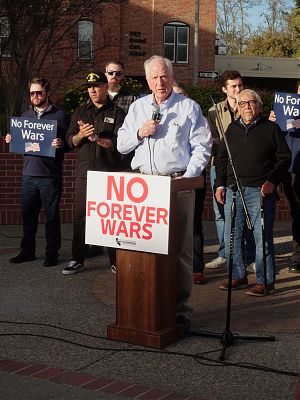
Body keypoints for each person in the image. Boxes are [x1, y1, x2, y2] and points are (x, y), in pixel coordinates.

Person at [117, 55, 212, 329]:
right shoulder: (137, 108)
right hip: (144, 186)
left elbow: (202, 147)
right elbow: (122, 145)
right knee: (144, 248)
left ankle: (181, 308)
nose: (160, 81)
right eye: (154, 77)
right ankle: (145, 303)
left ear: (172, 77)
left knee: (180, 249)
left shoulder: (189, 107)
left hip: (176, 185)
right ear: (147, 81)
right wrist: (139, 132)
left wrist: (188, 176)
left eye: (164, 76)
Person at [215, 89, 291, 296]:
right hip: (233, 190)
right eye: (242, 103)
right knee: (233, 235)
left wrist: (272, 181)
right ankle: (238, 275)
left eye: (251, 102)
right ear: (237, 107)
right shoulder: (231, 129)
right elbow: (221, 159)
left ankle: (265, 281)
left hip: (260, 192)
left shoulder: (271, 128)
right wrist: (219, 185)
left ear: (259, 105)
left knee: (261, 238)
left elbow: (284, 158)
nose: (247, 106)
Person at [62, 71, 126, 275]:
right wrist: (81, 134)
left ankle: (115, 260)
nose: (92, 90)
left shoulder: (118, 113)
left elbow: (120, 145)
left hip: (109, 174)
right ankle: (77, 259)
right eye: (89, 87)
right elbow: (69, 142)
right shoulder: (80, 111)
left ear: (106, 87)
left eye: (96, 85)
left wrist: (97, 139)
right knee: (81, 217)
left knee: (112, 218)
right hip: (85, 173)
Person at [6, 77, 69, 267]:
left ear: (48, 93)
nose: (35, 96)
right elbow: (20, 141)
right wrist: (11, 138)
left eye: (39, 92)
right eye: (32, 93)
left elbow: (71, 142)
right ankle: (27, 251)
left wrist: (61, 144)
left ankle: (52, 253)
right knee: (28, 216)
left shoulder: (60, 116)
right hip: (28, 175)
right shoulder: (25, 116)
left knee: (51, 217)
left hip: (50, 176)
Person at [207, 70, 255, 271]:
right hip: (219, 167)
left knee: (246, 211)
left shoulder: (251, 107)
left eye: (240, 85)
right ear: (224, 89)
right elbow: (210, 141)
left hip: (244, 168)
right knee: (221, 214)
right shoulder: (213, 111)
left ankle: (249, 256)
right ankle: (225, 254)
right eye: (233, 86)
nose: (238, 89)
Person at [173, 80, 207, 285]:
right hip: (169, 180)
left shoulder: (198, 118)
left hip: (191, 179)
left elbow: (203, 149)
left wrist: (189, 175)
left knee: (193, 225)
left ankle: (196, 268)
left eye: (180, 95)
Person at [269, 80, 300, 273]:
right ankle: (297, 256)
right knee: (297, 213)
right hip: (292, 168)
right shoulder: (284, 109)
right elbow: (275, 138)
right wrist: (273, 121)